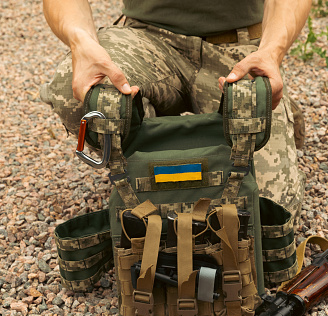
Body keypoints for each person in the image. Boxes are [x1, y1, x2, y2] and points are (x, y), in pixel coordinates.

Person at [40, 0, 309, 220]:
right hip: (147, 38)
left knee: (265, 217)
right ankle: (143, 165)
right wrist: (80, 41)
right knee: (76, 92)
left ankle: (268, 106)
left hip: (239, 48)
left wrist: (273, 51)